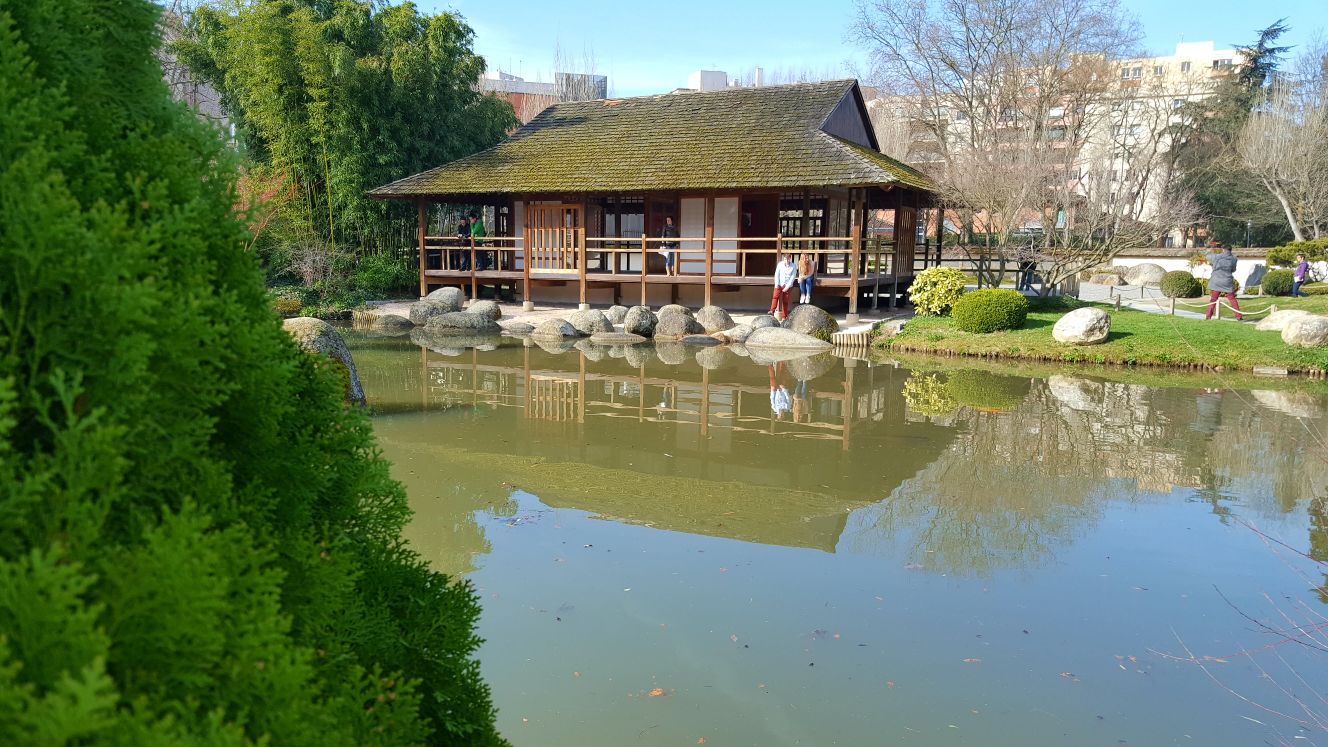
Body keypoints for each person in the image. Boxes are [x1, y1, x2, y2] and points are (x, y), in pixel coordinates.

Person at [1204, 241, 1242, 321]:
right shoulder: (1234, 259)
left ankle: (1208, 317)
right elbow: (1233, 270)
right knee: (1232, 299)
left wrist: (1210, 248)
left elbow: (1207, 256)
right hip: (1227, 281)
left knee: (1213, 299)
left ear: (1223, 249)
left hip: (1216, 281)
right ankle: (1238, 316)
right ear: (1230, 250)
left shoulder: (1216, 257)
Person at [770, 254, 797, 320]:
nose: (786, 260)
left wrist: (787, 287)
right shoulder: (780, 264)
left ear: (790, 259)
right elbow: (777, 275)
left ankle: (784, 316)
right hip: (779, 284)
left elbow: (792, 277)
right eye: (785, 259)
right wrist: (777, 284)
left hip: (788, 285)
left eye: (788, 259)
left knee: (785, 301)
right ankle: (771, 311)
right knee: (775, 297)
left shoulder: (793, 266)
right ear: (783, 259)